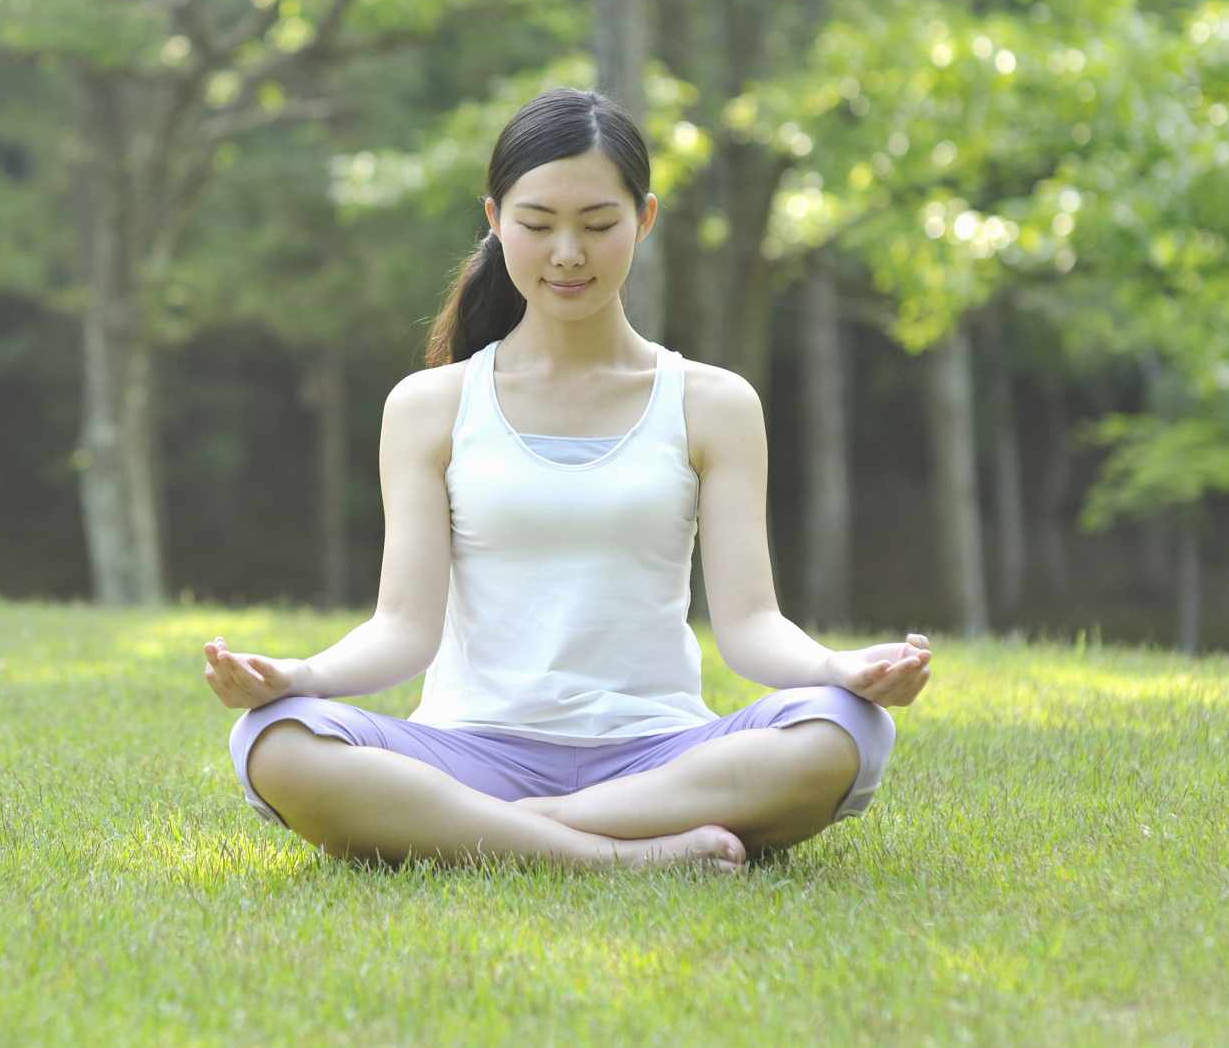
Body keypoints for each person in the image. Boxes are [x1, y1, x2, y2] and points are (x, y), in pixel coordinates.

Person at [204, 87, 931, 874]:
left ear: (644, 220)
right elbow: (403, 629)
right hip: (467, 751)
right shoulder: (429, 406)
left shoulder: (713, 403)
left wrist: (839, 670)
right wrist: (294, 676)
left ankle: (506, 831)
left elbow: (750, 625)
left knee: (848, 728)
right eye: (536, 224)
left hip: (657, 760)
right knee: (270, 740)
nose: (566, 255)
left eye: (596, 225)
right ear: (493, 219)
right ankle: (617, 858)